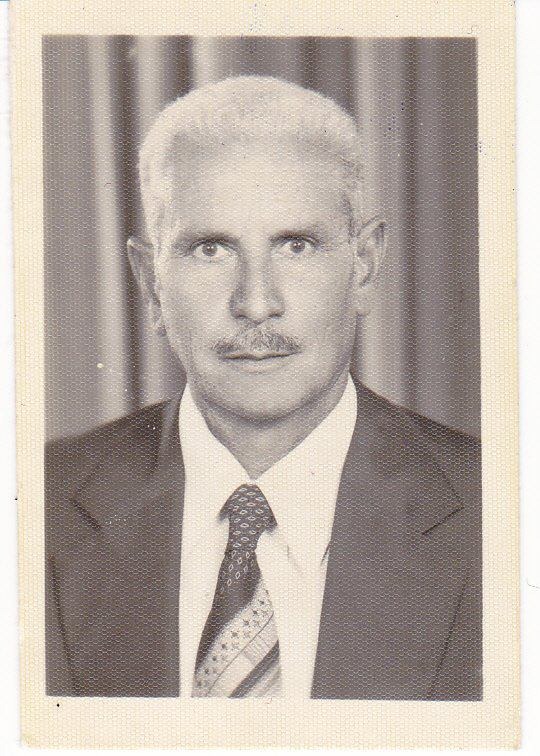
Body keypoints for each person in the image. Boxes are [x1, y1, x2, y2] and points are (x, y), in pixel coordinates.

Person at [45, 75, 482, 700]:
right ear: (149, 282)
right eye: (210, 250)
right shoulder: (38, 504)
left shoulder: (501, 510)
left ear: (364, 265)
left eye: (296, 246)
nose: (255, 303)